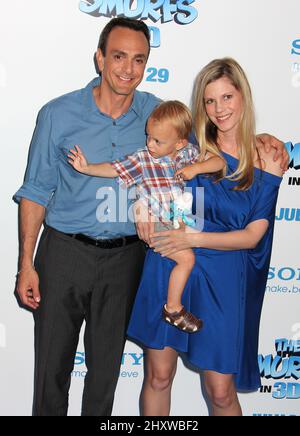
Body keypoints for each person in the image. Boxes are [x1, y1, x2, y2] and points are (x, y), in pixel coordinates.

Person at [13, 15, 287, 416]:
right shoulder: (62, 114)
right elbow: (40, 190)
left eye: (139, 59)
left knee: (107, 377)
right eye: (119, 56)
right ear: (99, 58)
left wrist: (265, 141)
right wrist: (26, 262)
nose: (128, 68)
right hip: (76, 255)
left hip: (144, 263)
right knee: (57, 374)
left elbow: (218, 157)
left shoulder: (163, 117)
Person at [127, 58, 285, 416]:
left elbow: (252, 237)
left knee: (221, 392)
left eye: (227, 97)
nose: (219, 109)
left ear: (244, 96)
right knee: (158, 375)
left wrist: (193, 240)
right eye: (210, 101)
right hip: (169, 263)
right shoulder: (190, 145)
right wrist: (139, 205)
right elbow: (147, 170)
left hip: (222, 277)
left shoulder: (266, 158)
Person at [67, 100, 225, 333]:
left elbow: (219, 161)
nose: (150, 144)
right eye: (148, 136)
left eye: (157, 141)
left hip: (179, 220)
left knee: (203, 253)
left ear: (180, 142)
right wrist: (87, 167)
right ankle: (173, 309)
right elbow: (114, 168)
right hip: (158, 224)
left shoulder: (188, 154)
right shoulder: (142, 159)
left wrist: (196, 168)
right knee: (187, 259)